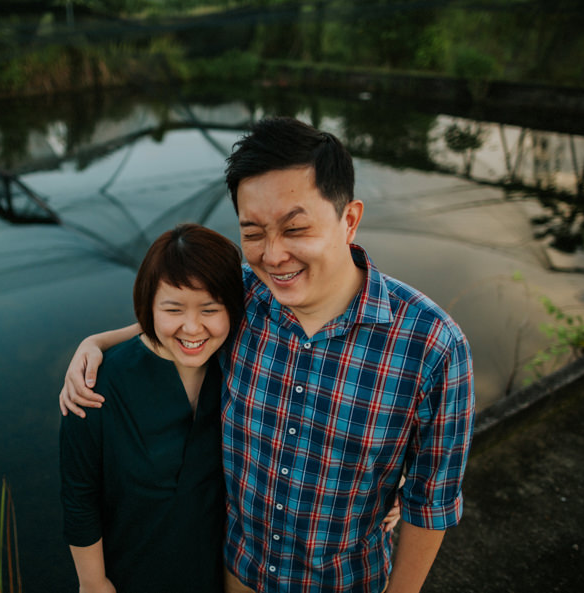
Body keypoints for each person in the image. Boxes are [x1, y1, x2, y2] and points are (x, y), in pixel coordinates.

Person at [61, 117, 475, 593]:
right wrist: (95, 343)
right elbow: (181, 323)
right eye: (253, 232)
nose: (273, 256)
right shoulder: (244, 297)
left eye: (295, 228)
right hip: (236, 574)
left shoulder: (433, 345)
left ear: (350, 219)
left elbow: (432, 501)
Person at [60, 223, 244, 593]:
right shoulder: (97, 385)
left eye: (210, 309)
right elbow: (80, 496)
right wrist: (93, 582)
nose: (192, 328)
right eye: (173, 309)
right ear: (149, 306)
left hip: (219, 574)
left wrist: (391, 484)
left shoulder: (239, 367)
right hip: (131, 574)